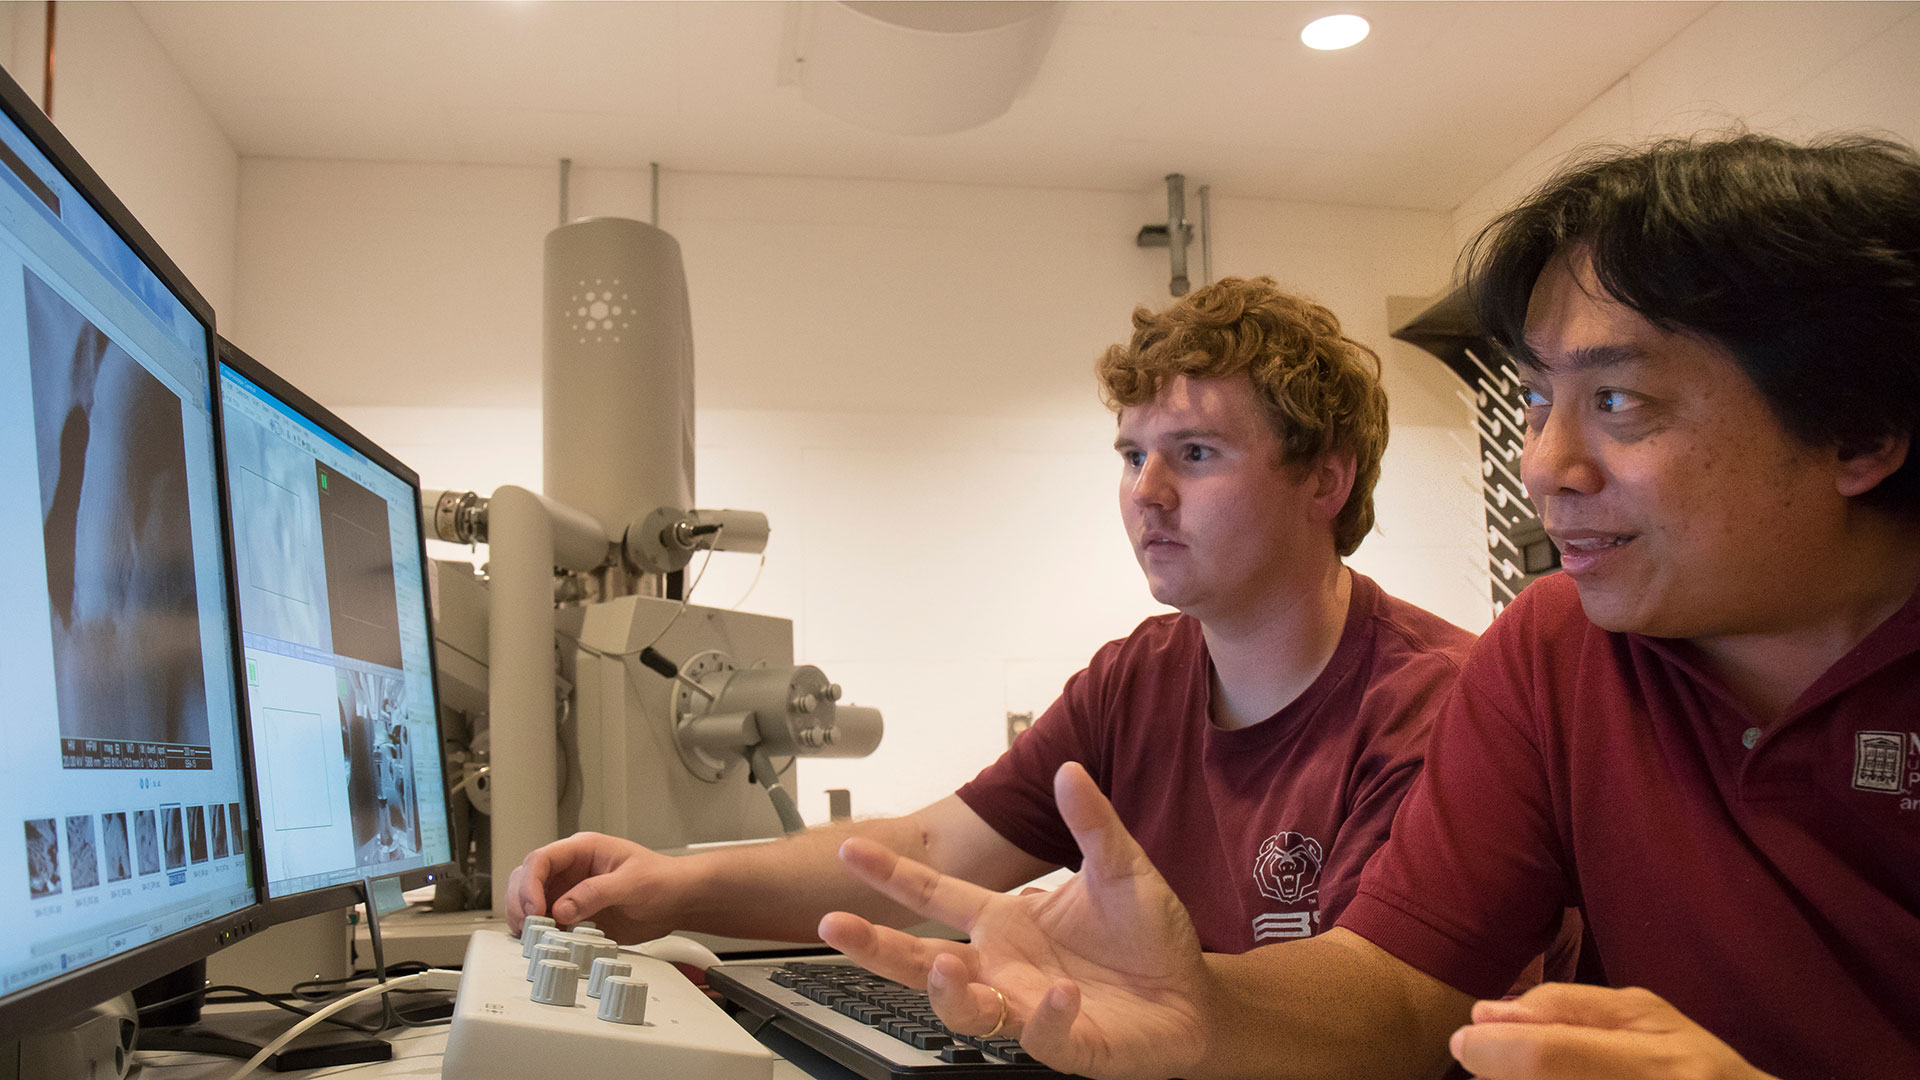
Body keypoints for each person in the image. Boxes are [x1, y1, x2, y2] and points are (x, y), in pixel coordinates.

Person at [820, 132, 1920, 1080]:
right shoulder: (1551, 649)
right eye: (1538, 400)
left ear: (1861, 432)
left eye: (1619, 400)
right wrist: (1202, 1003)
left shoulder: (1430, 682)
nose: (1546, 465)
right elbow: (1400, 993)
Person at [505, 275, 1481, 962]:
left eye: (1194, 454)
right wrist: (673, 885)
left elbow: (1371, 1011)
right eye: (1130, 454)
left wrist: (1107, 976)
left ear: (1325, 476)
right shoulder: (1136, 680)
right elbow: (930, 852)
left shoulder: (1437, 705)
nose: (1145, 493)